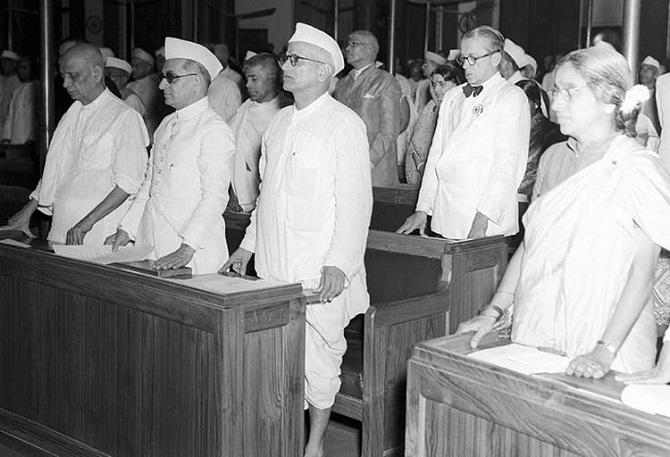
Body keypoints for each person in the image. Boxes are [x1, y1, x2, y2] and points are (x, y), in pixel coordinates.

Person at [459, 45, 670, 380]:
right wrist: (493, 312)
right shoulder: (553, 157)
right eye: (556, 91)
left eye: (570, 93)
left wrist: (605, 350)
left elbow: (641, 275)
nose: (555, 104)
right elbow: (532, 244)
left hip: (606, 342)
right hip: (539, 326)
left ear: (608, 97)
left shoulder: (637, 167)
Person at [222, 23, 372, 457]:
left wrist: (339, 264)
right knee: (278, 357)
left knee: (321, 361)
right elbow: (266, 196)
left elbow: (356, 203)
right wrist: (247, 246)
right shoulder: (280, 122)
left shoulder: (344, 125)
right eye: (286, 58)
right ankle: (282, 436)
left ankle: (315, 445)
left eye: (295, 59)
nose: (284, 66)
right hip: (274, 261)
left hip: (317, 265)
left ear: (324, 71)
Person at [106, 37, 234, 275]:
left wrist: (188, 247)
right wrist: (127, 229)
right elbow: (149, 185)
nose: (162, 85)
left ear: (196, 81)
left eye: (170, 77)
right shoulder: (166, 124)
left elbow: (215, 197)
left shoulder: (213, 129)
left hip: (193, 250)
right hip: (152, 240)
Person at [1, 43, 149, 244]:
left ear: (96, 73)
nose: (65, 84)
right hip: (62, 227)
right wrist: (27, 212)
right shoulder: (73, 113)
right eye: (63, 76)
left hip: (97, 233)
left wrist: (87, 222)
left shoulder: (124, 117)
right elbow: (57, 169)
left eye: (73, 76)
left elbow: (129, 183)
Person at [397, 26, 530, 239]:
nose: (466, 66)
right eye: (463, 58)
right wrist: (423, 208)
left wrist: (482, 219)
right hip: (447, 212)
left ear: (496, 58)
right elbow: (436, 155)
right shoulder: (453, 97)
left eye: (473, 58)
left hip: (484, 219)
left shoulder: (511, 97)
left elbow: (507, 165)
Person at [333, 30, 402, 187]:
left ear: (370, 49)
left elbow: (389, 131)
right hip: (344, 164)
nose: (347, 49)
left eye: (353, 44)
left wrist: (368, 162)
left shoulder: (385, 81)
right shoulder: (342, 84)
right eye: (347, 45)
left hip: (375, 170)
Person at [230, 52, 287, 212]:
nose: (248, 85)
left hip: (261, 199)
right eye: (247, 79)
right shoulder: (247, 105)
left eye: (254, 79)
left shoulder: (282, 114)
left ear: (273, 78)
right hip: (233, 195)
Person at [405, 63, 464, 185]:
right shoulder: (431, 107)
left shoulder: (463, 109)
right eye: (434, 84)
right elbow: (417, 143)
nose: (436, 90)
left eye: (442, 84)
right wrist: (421, 165)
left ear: (457, 84)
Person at [515, 79, 565, 199]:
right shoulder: (508, 128)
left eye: (523, 102)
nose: (517, 107)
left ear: (536, 103)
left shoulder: (552, 132)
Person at [1, 55, 38, 144]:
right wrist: (6, 137)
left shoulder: (39, 89)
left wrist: (32, 138)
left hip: (30, 142)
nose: (20, 71)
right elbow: (10, 116)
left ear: (33, 69)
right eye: (19, 68)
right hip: (16, 140)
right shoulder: (18, 90)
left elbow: (38, 118)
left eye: (24, 68)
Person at [127, 47, 161, 136]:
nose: (133, 69)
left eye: (137, 66)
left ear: (148, 67)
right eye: (132, 66)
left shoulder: (156, 85)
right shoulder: (129, 86)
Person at [639, 56, 661, 134]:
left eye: (648, 69)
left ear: (656, 75)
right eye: (642, 69)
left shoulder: (659, 96)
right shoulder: (634, 93)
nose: (644, 72)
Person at [0, 50, 21, 133]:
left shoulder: (19, 82)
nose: (3, 65)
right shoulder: (2, 80)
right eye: (2, 62)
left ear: (14, 64)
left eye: (6, 62)